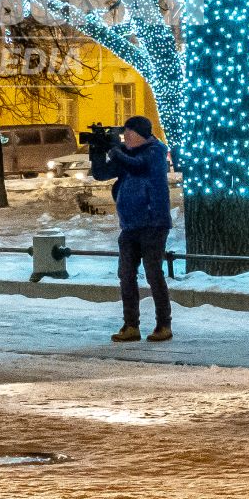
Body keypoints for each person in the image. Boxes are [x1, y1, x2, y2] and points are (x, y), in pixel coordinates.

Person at [88, 115, 173, 343]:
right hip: (130, 225)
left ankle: (163, 324)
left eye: (128, 134)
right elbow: (101, 174)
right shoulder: (127, 154)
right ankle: (131, 325)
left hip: (153, 222)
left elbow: (138, 168)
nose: (125, 137)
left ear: (139, 135)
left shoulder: (155, 152)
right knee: (126, 275)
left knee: (154, 274)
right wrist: (97, 150)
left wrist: (115, 150)